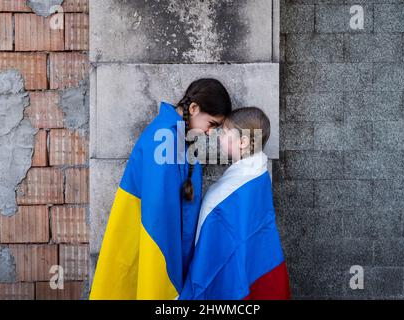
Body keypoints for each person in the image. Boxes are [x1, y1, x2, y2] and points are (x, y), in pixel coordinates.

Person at [89, 79, 232, 299]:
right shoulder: (165, 140)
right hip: (157, 254)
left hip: (162, 250)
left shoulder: (174, 136)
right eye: (212, 124)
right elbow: (157, 221)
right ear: (193, 108)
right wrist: (166, 285)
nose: (211, 133)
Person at [180, 107, 291, 300]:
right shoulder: (258, 174)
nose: (218, 136)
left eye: (224, 132)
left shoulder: (242, 185)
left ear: (243, 142)